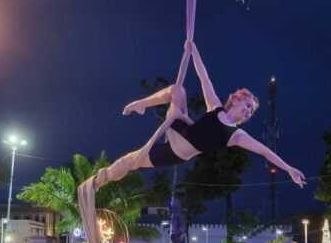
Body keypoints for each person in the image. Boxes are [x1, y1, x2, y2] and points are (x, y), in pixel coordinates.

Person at [99, 42, 306, 190]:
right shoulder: (215, 106)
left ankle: (100, 181)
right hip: (180, 130)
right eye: (248, 105)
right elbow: (203, 76)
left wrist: (289, 169)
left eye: (251, 111)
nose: (249, 111)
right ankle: (142, 104)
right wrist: (192, 49)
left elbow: (266, 152)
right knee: (177, 90)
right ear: (235, 99)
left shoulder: (236, 136)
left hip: (177, 152)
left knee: (130, 160)